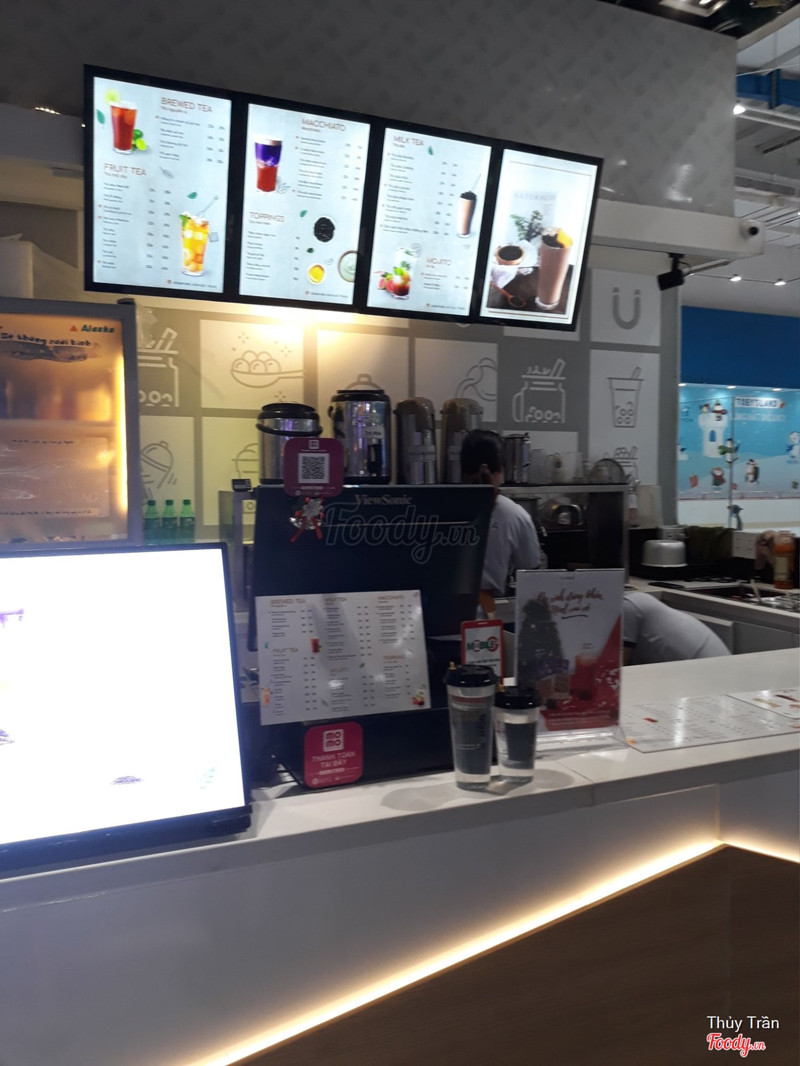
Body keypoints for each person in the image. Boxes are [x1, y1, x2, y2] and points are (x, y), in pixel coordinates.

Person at [460, 429, 543, 615]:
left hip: (438, 619)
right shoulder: (514, 515)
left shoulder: (440, 507)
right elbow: (532, 577)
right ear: (499, 469)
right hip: (487, 622)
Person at [622, 591, 730, 665]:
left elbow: (619, 670)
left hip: (705, 677)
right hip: (721, 670)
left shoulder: (627, 606)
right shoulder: (638, 601)